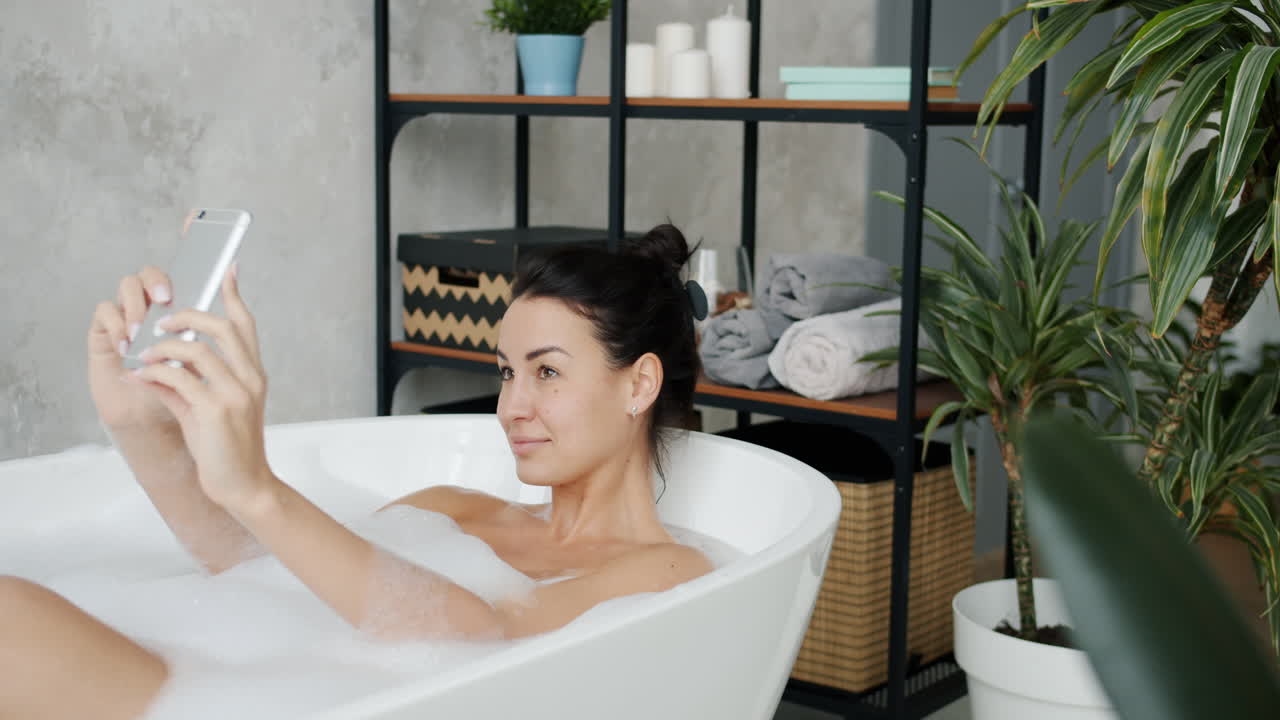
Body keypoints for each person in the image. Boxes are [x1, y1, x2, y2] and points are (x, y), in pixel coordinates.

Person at [0, 223, 712, 719]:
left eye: (547, 372)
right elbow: (261, 571)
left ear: (639, 385)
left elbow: (483, 634)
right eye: (504, 372)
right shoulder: (452, 509)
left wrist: (258, 484)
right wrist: (141, 429)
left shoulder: (668, 572)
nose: (512, 406)